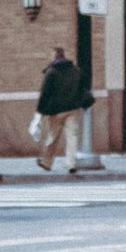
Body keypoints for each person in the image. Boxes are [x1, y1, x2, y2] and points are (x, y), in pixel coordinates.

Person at [32, 45, 88, 173]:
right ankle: (71, 164)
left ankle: (46, 163)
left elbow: (45, 93)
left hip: (56, 111)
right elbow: (82, 88)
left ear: (54, 56)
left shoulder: (51, 72)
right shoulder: (75, 70)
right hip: (73, 109)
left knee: (52, 137)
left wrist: (39, 111)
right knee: (72, 137)